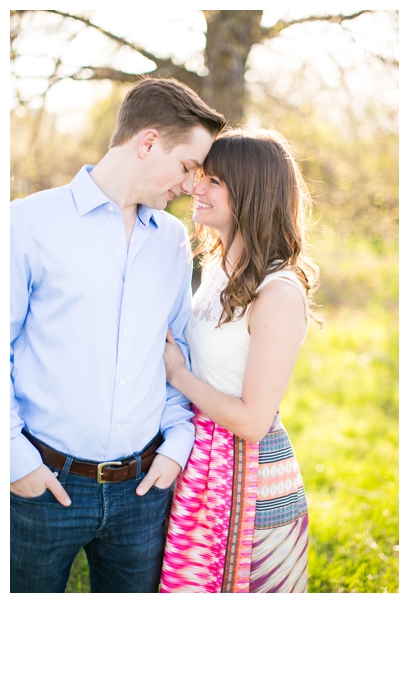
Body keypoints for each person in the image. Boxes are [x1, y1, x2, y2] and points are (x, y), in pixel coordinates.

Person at [10, 78, 226, 592]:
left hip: (143, 491)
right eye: (189, 167)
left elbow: (176, 348)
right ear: (147, 143)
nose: (193, 185)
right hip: (40, 483)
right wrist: (13, 460)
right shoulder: (27, 224)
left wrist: (177, 445)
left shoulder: (172, 240)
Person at [159, 128, 318, 593]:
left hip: (250, 480)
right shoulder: (217, 268)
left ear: (249, 192)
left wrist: (178, 375)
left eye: (213, 182)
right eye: (199, 176)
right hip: (201, 463)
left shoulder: (279, 292)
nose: (195, 188)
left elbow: (252, 420)